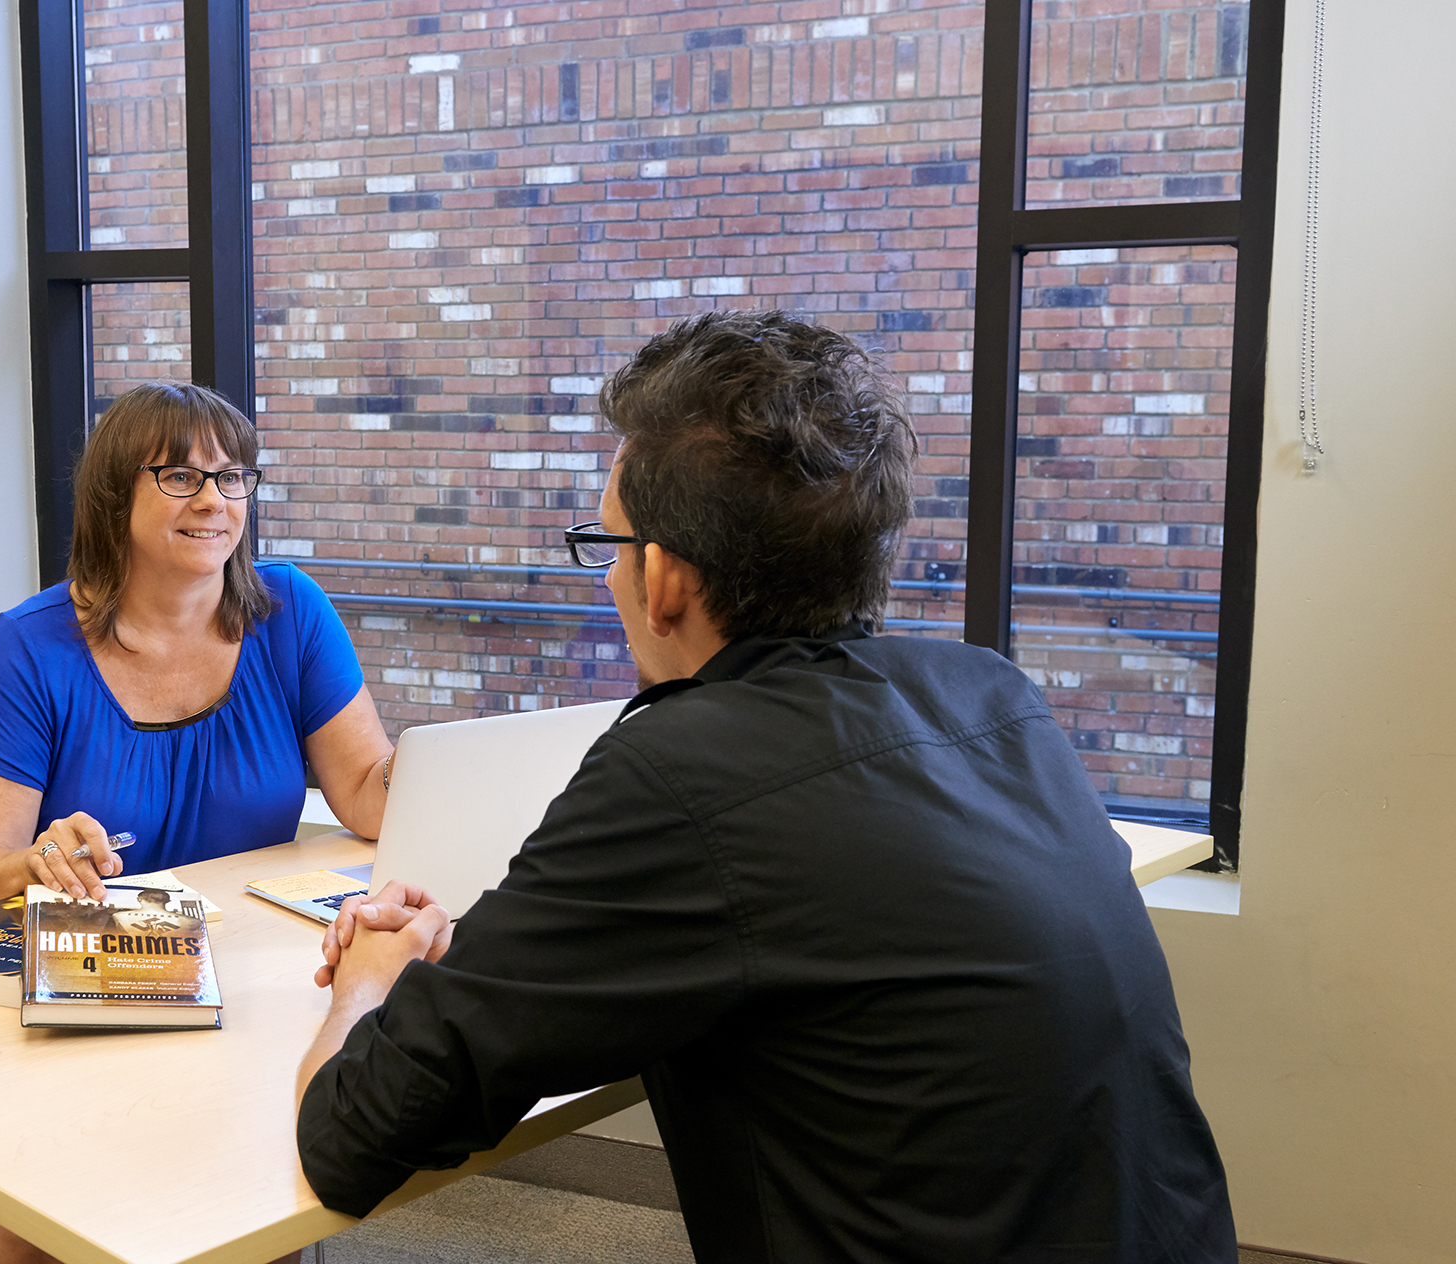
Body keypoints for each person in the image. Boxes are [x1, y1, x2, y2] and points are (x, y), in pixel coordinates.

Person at [294, 312, 1237, 1262]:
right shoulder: (990, 694)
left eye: (607, 544)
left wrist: (371, 983)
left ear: (663, 578)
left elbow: (353, 1134)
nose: (612, 577)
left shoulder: (682, 770)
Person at [0, 381, 391, 1264]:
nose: (216, 501)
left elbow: (368, 794)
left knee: (261, 1203)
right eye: (181, 477)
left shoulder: (290, 613)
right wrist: (36, 860)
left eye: (232, 477)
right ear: (116, 494)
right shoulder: (31, 647)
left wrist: (441, 775)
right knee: (60, 1210)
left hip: (255, 988)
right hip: (91, 990)